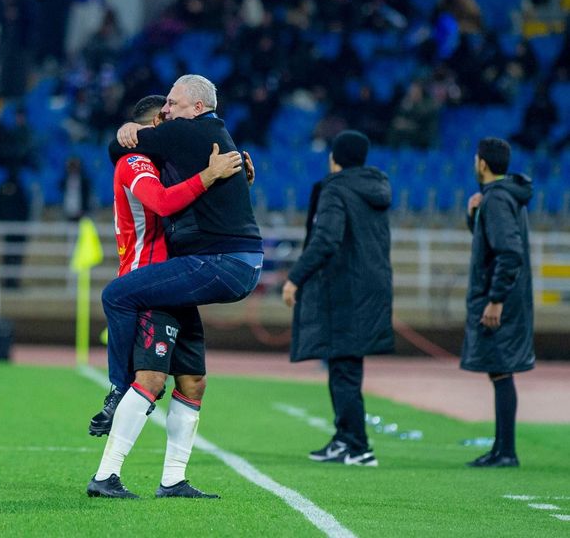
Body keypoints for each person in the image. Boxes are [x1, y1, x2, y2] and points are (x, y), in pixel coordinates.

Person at [87, 95, 245, 499]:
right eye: (168, 117)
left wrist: (236, 179)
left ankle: (173, 479)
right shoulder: (135, 162)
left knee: (193, 381)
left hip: (178, 279)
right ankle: (106, 474)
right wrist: (208, 176)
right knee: (151, 379)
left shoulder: (165, 163)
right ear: (156, 123)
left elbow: (197, 204)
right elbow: (161, 201)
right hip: (149, 279)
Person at [281, 130, 394, 467]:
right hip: (370, 286)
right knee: (343, 364)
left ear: (335, 158)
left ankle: (358, 446)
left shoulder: (337, 188)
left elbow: (326, 239)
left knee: (344, 369)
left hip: (346, 287)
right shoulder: (374, 189)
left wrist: (295, 277)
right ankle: (345, 437)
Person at [462, 138, 534, 468]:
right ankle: (501, 448)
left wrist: (496, 300)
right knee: (498, 370)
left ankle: (506, 452)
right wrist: (473, 216)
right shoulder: (501, 198)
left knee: (502, 371)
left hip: (503, 300)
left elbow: (509, 253)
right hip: (509, 296)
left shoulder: (497, 200)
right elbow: (493, 245)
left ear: (482, 163)